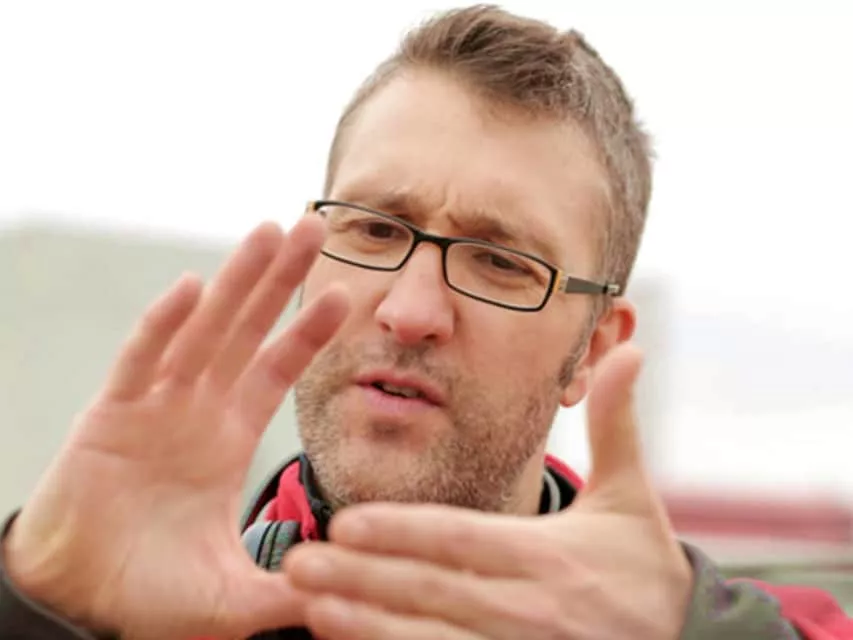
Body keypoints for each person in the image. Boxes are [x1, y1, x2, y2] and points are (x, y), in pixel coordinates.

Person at [1, 4, 851, 639]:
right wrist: (39, 606)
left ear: (590, 351)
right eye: (375, 229)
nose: (410, 312)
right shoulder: (132, 606)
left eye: (501, 262)